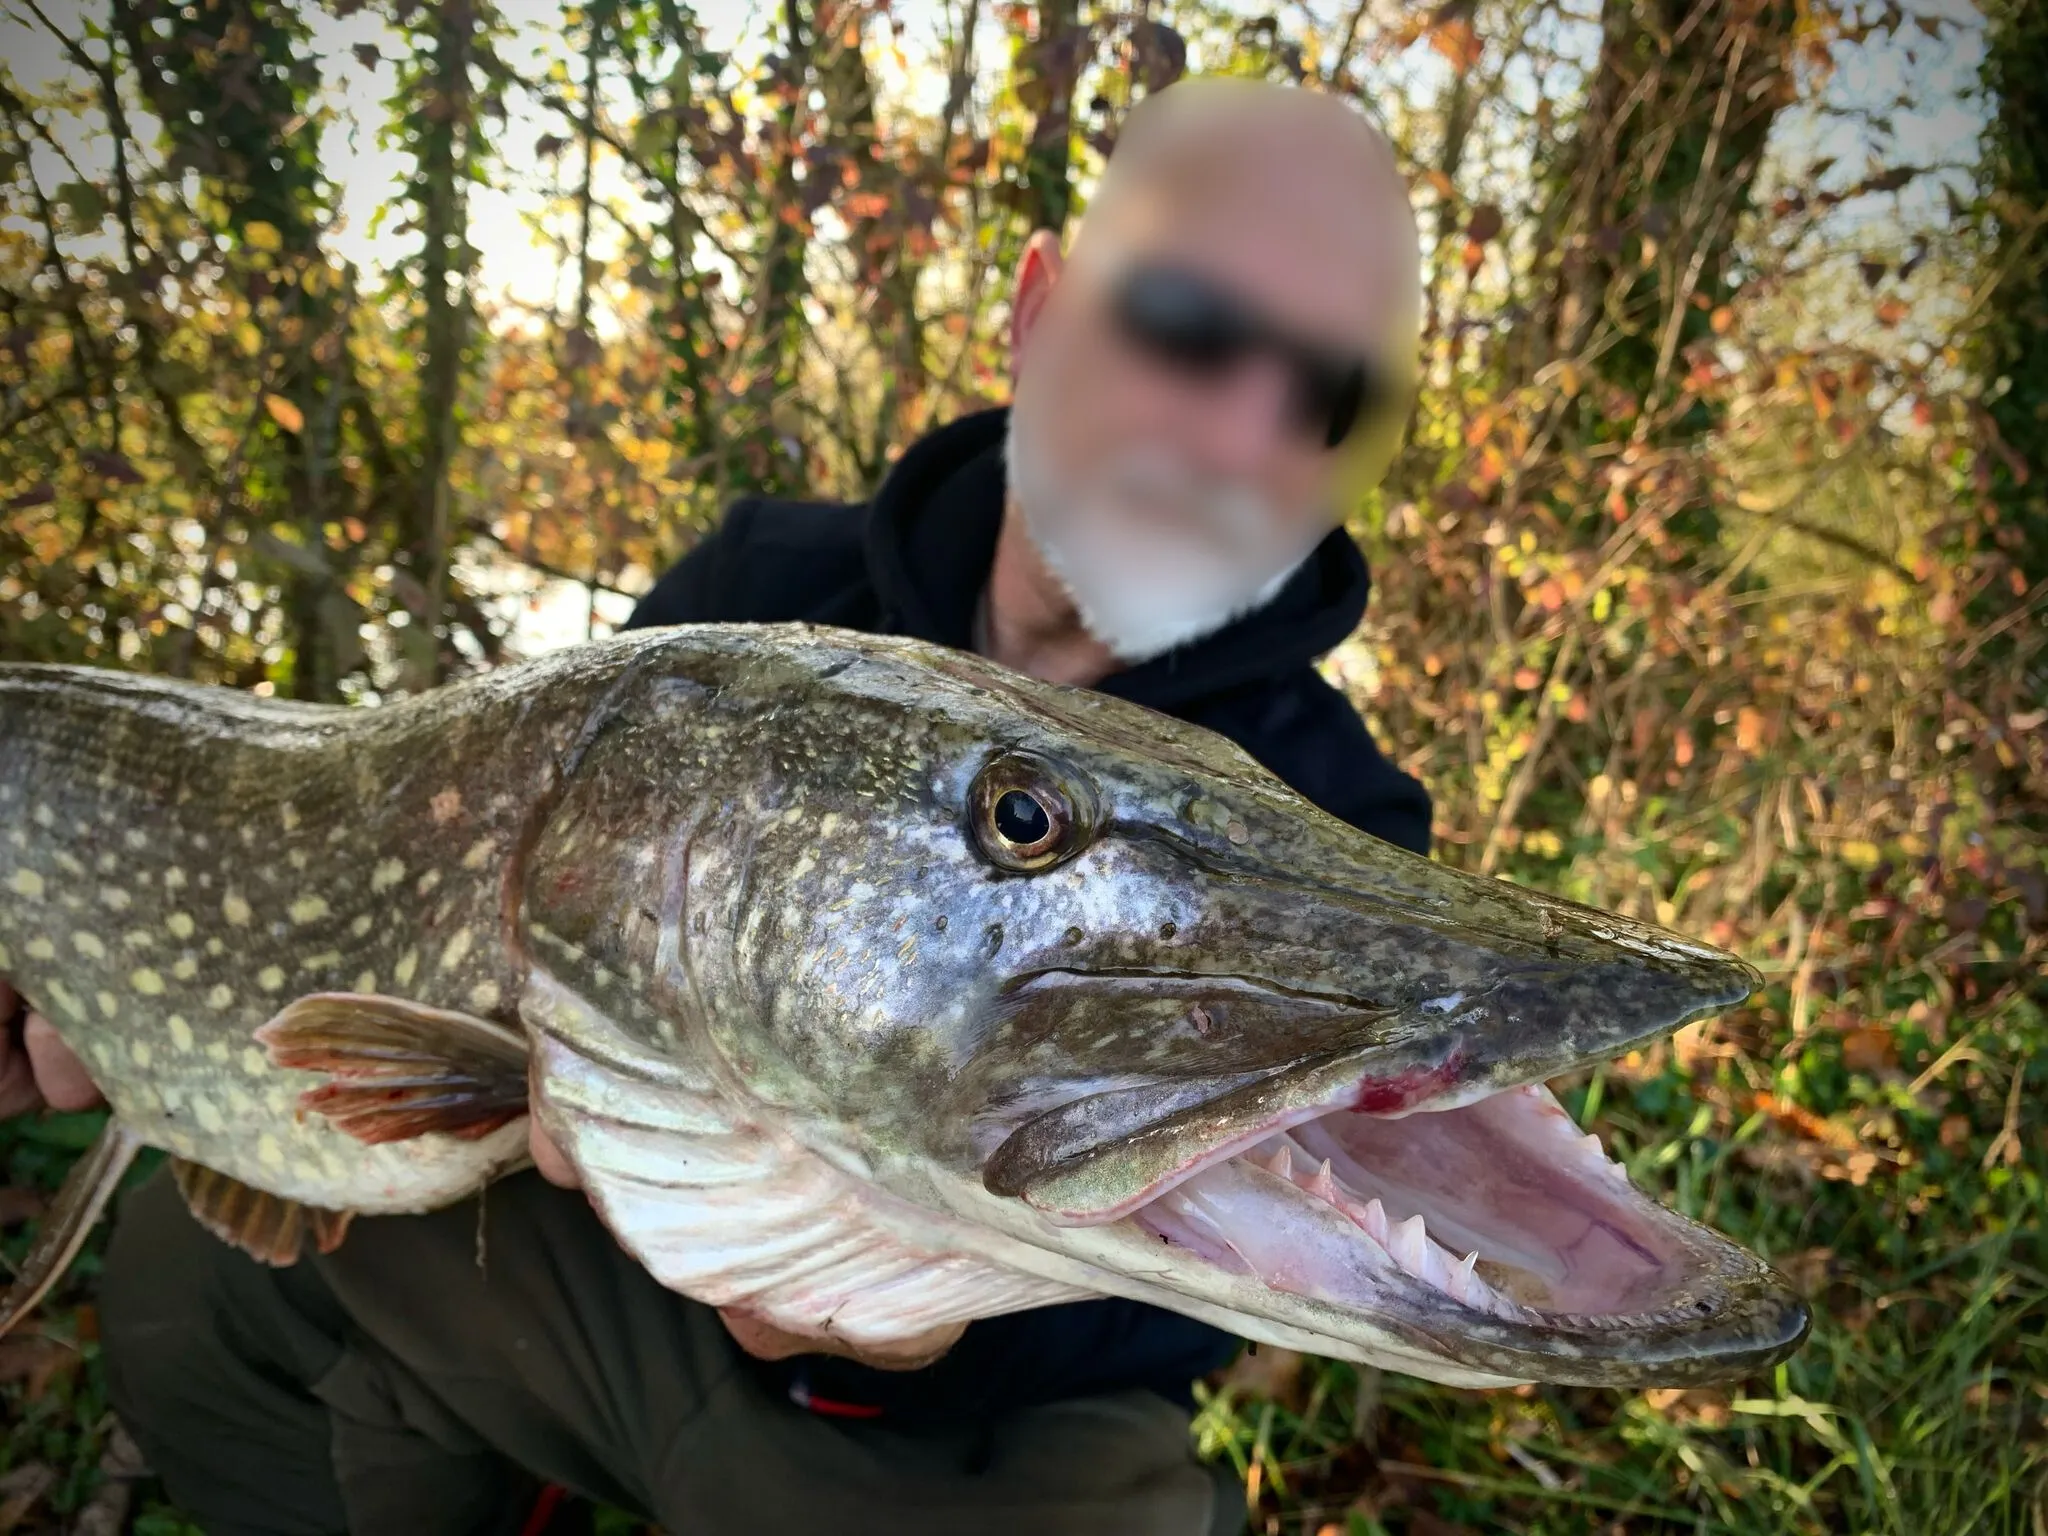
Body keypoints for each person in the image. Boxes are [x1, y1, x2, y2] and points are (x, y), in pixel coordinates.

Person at [0, 77, 1429, 1536]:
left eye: (1332, 393)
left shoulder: (1343, 826)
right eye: (1188, 323)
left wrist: (925, 1303)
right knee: (205, 1272)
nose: (1243, 425)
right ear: (1041, 309)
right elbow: (470, 993)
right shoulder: (752, 603)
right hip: (613, 1280)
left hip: (975, 1422)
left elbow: (1232, 1288)